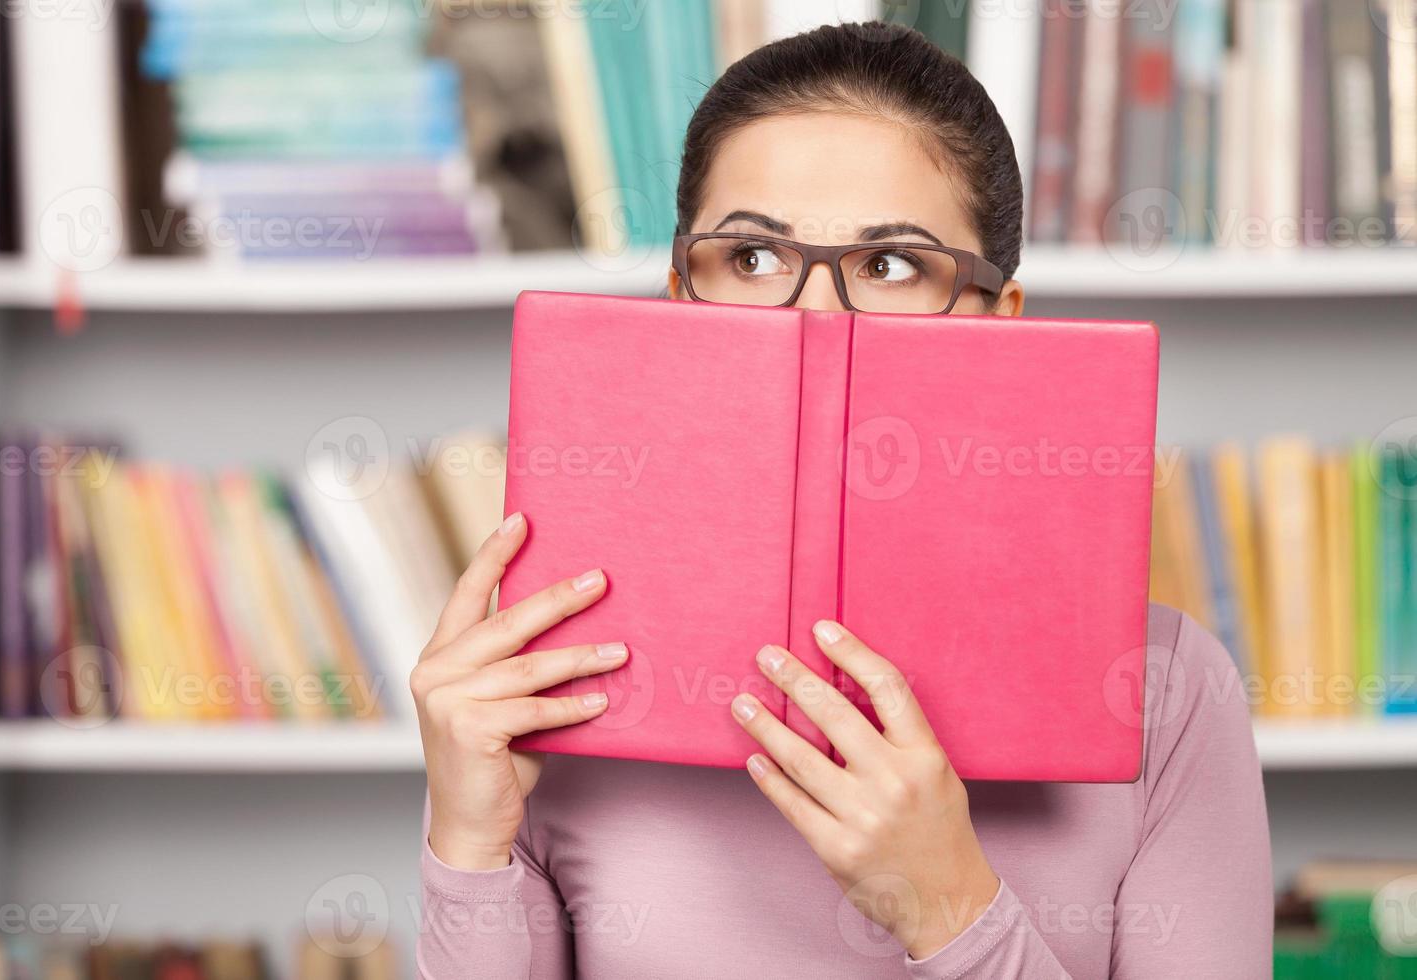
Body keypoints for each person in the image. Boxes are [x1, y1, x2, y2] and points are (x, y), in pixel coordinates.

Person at [410, 22, 1271, 979]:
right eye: (751, 259)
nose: (814, 318)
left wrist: (950, 907)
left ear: (1000, 321)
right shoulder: (550, 684)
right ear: (678, 296)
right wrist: (468, 844)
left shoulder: (1170, 694)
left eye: (891, 265)